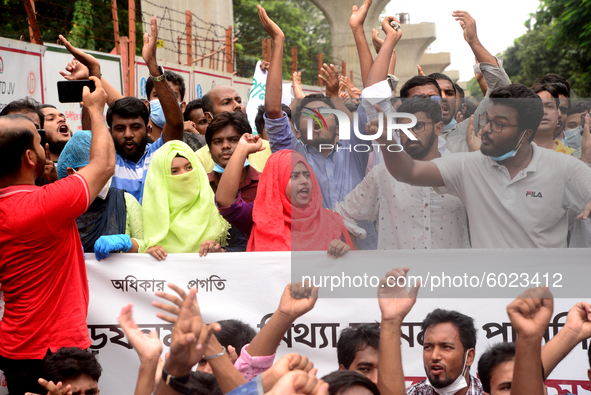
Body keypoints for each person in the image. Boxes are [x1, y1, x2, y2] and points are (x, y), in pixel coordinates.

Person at [0, 77, 114, 394]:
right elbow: (104, 164)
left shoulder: (35, 202)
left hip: (16, 347)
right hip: (54, 351)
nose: (46, 148)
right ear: (29, 158)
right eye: (39, 144)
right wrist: (96, 110)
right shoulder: (45, 205)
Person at [375, 84, 591, 248]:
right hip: (488, 299)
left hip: (545, 298)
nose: (486, 129)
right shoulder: (468, 166)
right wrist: (386, 141)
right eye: (487, 120)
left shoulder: (565, 168)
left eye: (499, 125)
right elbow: (408, 171)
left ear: (525, 134)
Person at [60, 16, 184, 203]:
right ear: (109, 131)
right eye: (119, 128)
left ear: (147, 128)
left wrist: (153, 67)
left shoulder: (159, 156)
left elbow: (175, 122)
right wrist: (94, 73)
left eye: (135, 127)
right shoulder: (106, 164)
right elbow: (104, 121)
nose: (128, 134)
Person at [335, 96, 469, 250]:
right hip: (398, 273)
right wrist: (356, 256)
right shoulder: (383, 174)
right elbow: (342, 214)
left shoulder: (460, 170)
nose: (410, 134)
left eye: (418, 126)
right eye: (403, 129)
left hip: (452, 272)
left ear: (438, 128)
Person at [215, 134, 354, 256]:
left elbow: (352, 268)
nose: (304, 181)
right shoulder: (260, 215)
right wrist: (241, 150)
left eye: (307, 175)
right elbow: (225, 201)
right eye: (294, 176)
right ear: (277, 182)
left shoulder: (331, 221)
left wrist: (344, 251)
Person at [376, 268, 482, 395]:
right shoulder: (414, 393)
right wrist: (391, 321)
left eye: (446, 347)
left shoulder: (491, 392)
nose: (434, 356)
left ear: (469, 357)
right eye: (428, 347)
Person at [140, 140, 246, 261]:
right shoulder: (147, 219)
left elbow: (244, 248)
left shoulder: (220, 210)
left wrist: (222, 251)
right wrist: (146, 255)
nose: (184, 175)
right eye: (174, 171)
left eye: (189, 167)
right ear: (159, 179)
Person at [56, 129, 144, 257]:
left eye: (105, 167)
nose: (102, 174)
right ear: (71, 172)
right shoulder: (57, 208)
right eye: (94, 169)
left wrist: (128, 244)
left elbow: (146, 246)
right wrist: (61, 250)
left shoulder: (126, 201)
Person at [196, 84, 275, 173]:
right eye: (226, 103)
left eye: (239, 101)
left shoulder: (268, 148)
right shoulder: (197, 160)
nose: (237, 105)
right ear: (209, 117)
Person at [204, 111, 261, 203]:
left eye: (234, 140)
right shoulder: (202, 185)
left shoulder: (265, 184)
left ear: (249, 144)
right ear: (210, 150)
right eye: (218, 142)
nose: (225, 146)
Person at [0, 98, 57, 185]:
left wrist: (54, 180)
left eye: (34, 129)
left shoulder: (50, 179)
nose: (27, 137)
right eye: (18, 129)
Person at [531, 84, 573, 154]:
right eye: (537, 106)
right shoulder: (513, 155)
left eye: (549, 106)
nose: (543, 111)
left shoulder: (573, 156)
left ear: (557, 114)